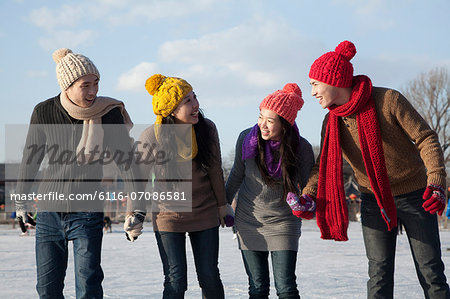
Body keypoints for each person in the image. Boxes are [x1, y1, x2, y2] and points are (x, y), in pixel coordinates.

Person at [291, 40, 449, 298]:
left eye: (315, 84)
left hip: (415, 194)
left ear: (334, 81)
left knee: (431, 271)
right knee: (378, 274)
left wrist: (436, 181)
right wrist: (309, 195)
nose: (313, 93)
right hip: (373, 200)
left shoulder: (388, 100)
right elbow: (323, 166)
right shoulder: (332, 121)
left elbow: (426, 138)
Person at [15, 48, 144, 298]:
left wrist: (137, 208)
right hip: (49, 212)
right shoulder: (44, 111)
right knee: (47, 289)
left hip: (87, 210)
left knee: (88, 285)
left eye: (96, 83)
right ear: (67, 86)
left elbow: (127, 162)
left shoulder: (108, 113)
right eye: (86, 85)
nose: (93, 91)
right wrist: (21, 200)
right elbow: (30, 160)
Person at [136, 74, 233, 298]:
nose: (195, 104)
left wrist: (222, 205)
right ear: (170, 109)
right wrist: (136, 213)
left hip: (205, 210)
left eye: (194, 97)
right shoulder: (151, 137)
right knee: (175, 279)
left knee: (209, 276)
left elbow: (215, 170)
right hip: (168, 215)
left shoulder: (207, 129)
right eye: (187, 101)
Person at [225, 83, 315, 299]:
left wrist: (306, 200)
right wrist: (222, 205)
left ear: (284, 124)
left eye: (270, 120)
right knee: (257, 288)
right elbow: (236, 174)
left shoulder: (300, 147)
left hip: (284, 222)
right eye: (260, 117)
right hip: (249, 220)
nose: (262, 125)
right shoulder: (246, 139)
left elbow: (310, 182)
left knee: (286, 288)